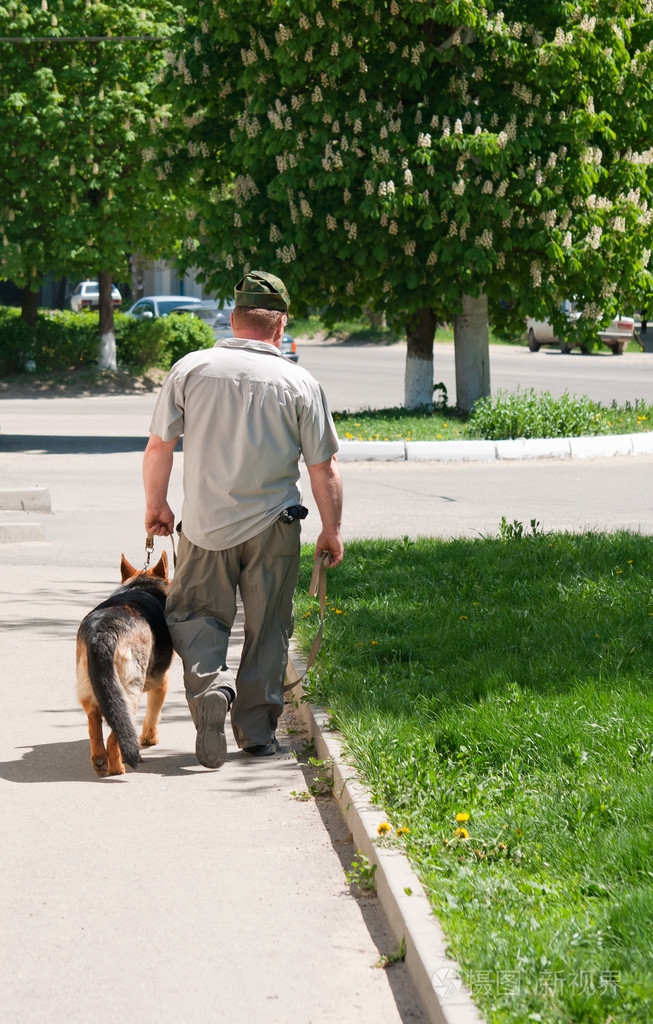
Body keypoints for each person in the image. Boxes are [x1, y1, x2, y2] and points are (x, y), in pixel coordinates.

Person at [142, 270, 343, 768]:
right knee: (268, 628)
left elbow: (159, 445)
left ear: (232, 319)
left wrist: (157, 504)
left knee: (194, 617)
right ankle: (255, 734)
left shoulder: (191, 368)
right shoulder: (301, 382)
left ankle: (212, 687)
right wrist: (331, 529)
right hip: (274, 528)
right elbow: (324, 468)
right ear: (281, 326)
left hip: (205, 528)